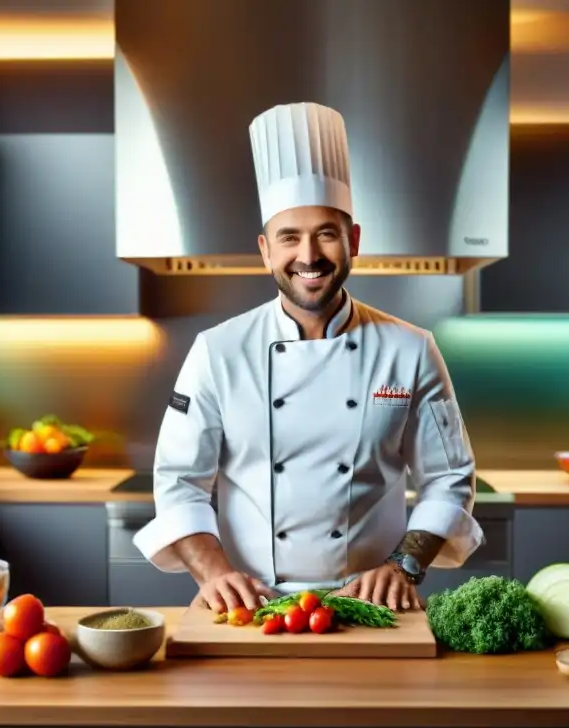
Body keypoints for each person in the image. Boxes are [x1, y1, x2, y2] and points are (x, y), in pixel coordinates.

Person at [134, 102, 482, 614]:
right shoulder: (218, 351)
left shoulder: (411, 349)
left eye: (325, 233)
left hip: (373, 608)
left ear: (353, 240)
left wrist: (403, 566)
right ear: (265, 251)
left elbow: (449, 479)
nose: (309, 256)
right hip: (249, 608)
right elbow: (178, 480)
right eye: (289, 237)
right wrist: (215, 574)